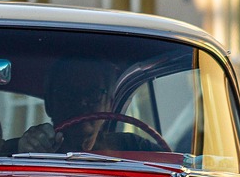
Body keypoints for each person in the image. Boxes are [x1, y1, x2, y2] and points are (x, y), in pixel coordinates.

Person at [14, 57, 158, 155]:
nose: (81, 103)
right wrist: (27, 153)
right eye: (69, 93)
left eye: (93, 94)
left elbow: (176, 169)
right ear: (50, 103)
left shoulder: (132, 147)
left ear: (110, 104)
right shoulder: (29, 149)